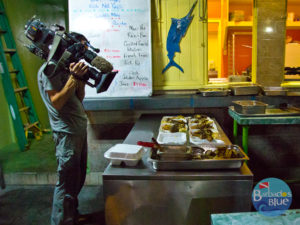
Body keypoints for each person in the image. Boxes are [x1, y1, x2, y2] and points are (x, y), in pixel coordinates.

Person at [37, 33, 113, 225]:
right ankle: (59, 221)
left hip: (77, 130)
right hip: (66, 134)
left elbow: (78, 99)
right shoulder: (50, 70)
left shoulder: (65, 69)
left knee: (76, 179)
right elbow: (57, 102)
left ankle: (71, 216)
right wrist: (73, 78)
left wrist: (79, 79)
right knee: (65, 182)